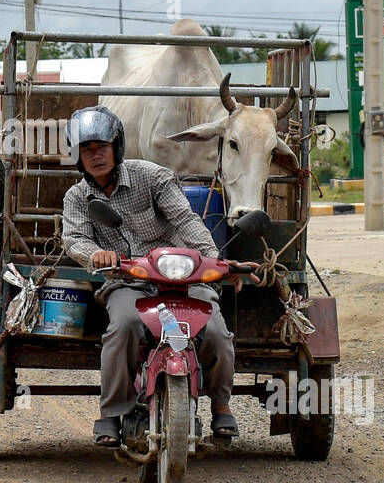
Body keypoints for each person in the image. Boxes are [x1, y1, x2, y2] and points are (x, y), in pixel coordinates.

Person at [60, 106, 245, 447]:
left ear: (117, 146)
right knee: (124, 326)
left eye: (102, 146)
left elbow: (186, 221)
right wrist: (95, 254)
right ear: (77, 155)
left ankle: (221, 404)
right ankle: (111, 413)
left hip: (181, 277)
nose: (96, 155)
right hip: (126, 281)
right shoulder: (77, 197)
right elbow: (74, 239)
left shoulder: (153, 177)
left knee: (217, 331)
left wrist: (217, 260)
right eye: (87, 149)